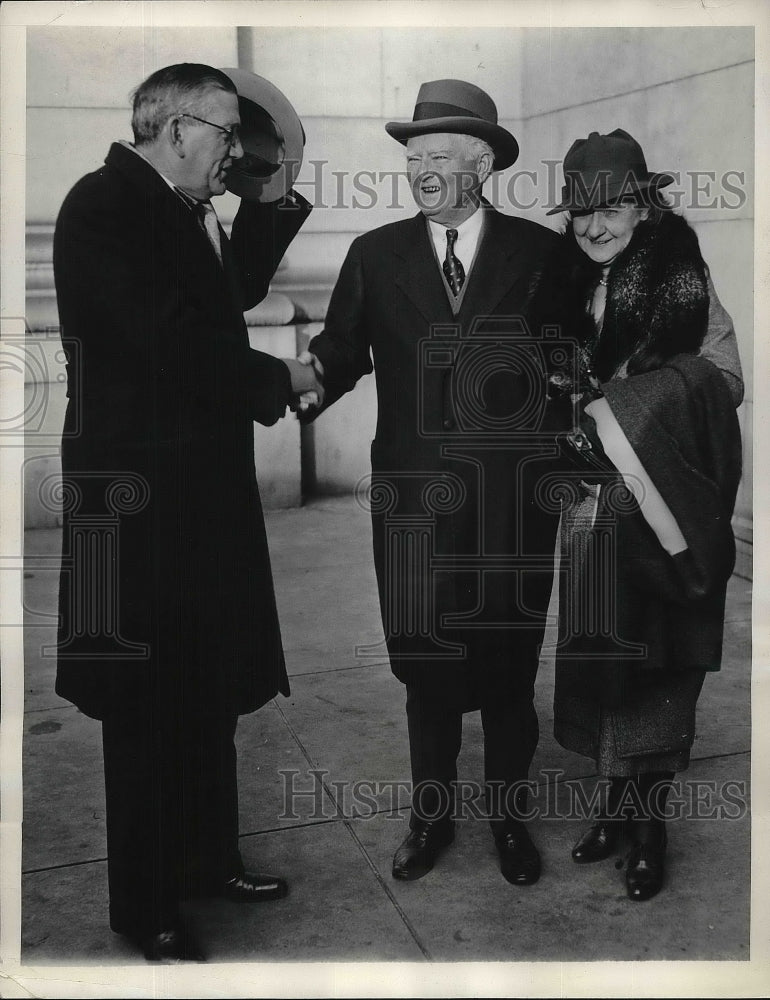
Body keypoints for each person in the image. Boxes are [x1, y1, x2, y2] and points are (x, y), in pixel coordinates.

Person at [53, 63, 320, 961]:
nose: (236, 153)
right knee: (144, 708)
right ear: (177, 129)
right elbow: (167, 338)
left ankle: (209, 863)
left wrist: (275, 194)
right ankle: (147, 906)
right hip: (132, 512)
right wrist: (276, 378)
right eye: (228, 135)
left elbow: (230, 294)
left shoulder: (187, 210)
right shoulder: (101, 206)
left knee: (206, 689)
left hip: (196, 498)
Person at [298, 79, 562, 886]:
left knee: (511, 666)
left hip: (513, 500)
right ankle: (430, 817)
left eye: (439, 157)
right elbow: (341, 350)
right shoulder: (376, 254)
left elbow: (567, 362)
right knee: (425, 664)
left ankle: (510, 821)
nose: (421, 172)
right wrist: (295, 383)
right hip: (412, 501)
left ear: (481, 164)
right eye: (413, 159)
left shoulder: (541, 254)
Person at [531, 128, 743, 901]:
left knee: (660, 664)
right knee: (600, 659)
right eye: (580, 211)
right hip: (592, 506)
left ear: (644, 207)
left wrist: (619, 410)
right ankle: (613, 807)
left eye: (612, 208)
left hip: (666, 505)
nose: (594, 226)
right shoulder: (558, 284)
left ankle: (649, 829)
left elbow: (724, 375)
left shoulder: (681, 276)